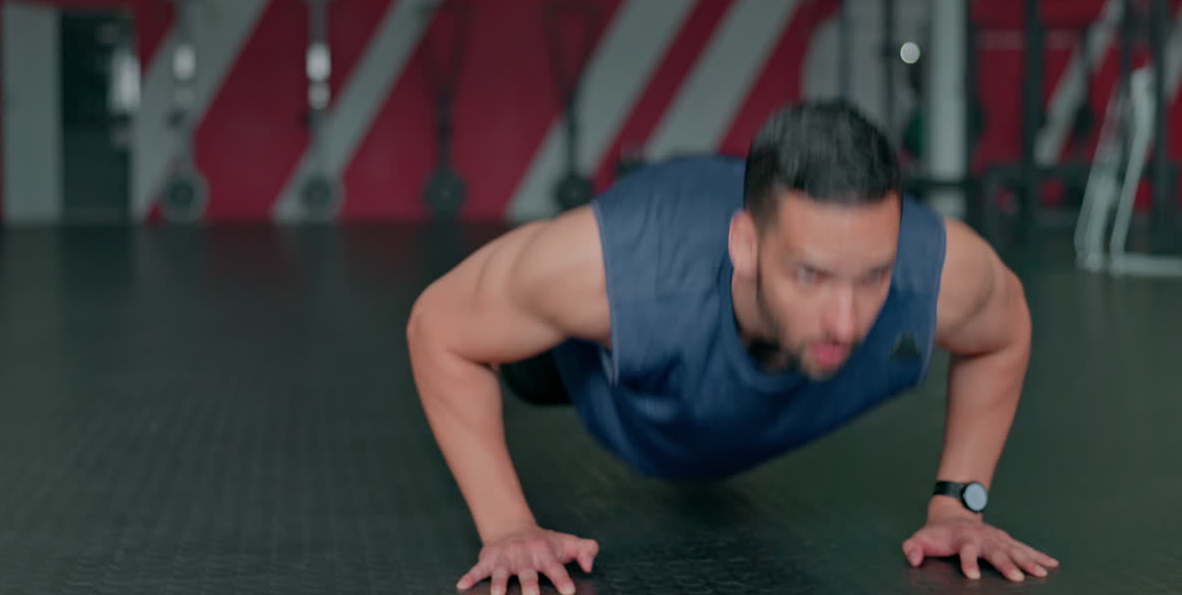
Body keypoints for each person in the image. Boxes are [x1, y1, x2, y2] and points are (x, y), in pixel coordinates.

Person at [406, 100, 1059, 595]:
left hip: (716, 410)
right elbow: (438, 326)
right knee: (519, 348)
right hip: (595, 376)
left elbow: (1005, 335)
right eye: (811, 274)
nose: (846, 320)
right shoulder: (616, 273)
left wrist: (960, 503)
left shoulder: (945, 275)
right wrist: (508, 527)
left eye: (872, 277)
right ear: (745, 245)